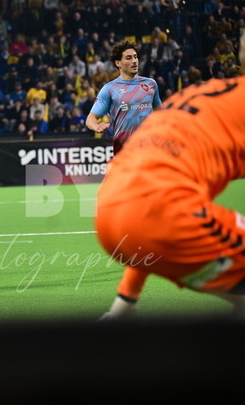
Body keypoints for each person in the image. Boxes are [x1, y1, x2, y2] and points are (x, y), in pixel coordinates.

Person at [95, 31, 245, 320]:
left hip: (112, 215)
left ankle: (122, 314)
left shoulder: (202, 91)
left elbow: (145, 209)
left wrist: (127, 299)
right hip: (162, 214)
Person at [85, 40, 163, 319]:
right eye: (128, 57)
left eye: (135, 56)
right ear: (118, 62)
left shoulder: (150, 85)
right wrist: (97, 125)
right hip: (123, 158)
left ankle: (144, 256)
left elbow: (162, 115)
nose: (134, 60)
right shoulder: (110, 89)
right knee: (112, 209)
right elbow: (91, 119)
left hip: (149, 156)